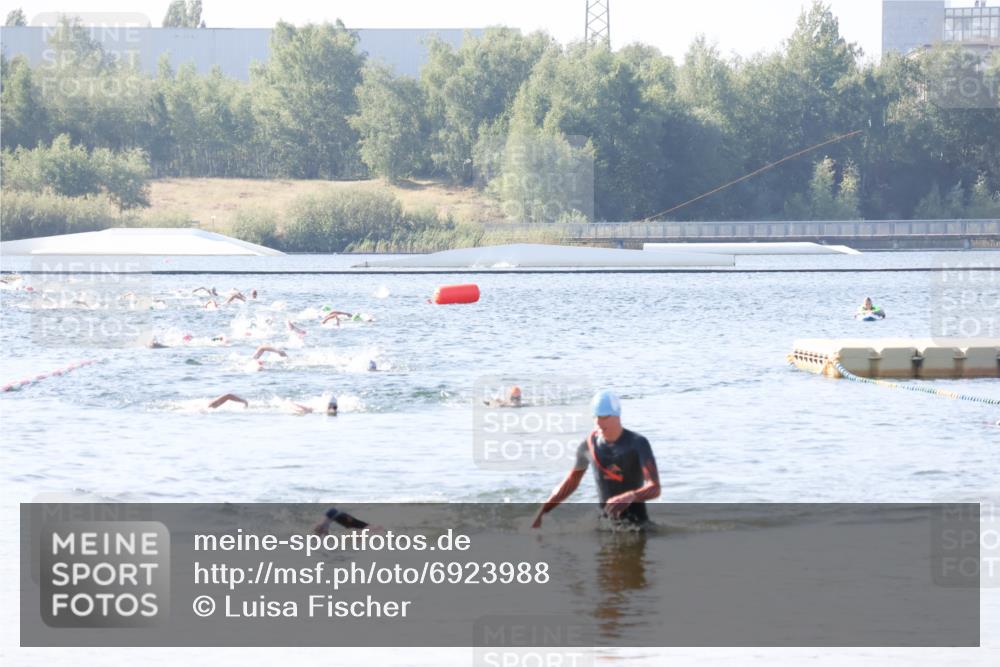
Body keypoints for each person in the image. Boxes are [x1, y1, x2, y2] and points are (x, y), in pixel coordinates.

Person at [532, 390, 660, 528]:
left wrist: (630, 496)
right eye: (595, 416)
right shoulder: (588, 445)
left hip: (637, 526)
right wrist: (542, 511)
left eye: (604, 416)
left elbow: (654, 487)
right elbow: (571, 482)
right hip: (604, 526)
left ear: (617, 415)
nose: (598, 421)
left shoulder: (637, 443)